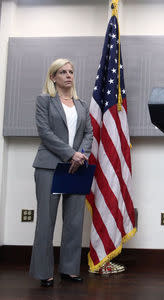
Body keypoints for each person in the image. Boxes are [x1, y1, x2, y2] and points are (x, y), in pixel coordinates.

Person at [29, 58, 93, 287]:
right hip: (49, 166)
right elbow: (45, 132)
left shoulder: (82, 104)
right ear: (53, 77)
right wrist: (70, 154)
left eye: (71, 72)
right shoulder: (44, 100)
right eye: (63, 72)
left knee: (75, 222)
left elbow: (89, 133)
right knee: (46, 221)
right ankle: (43, 272)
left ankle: (69, 269)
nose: (68, 75)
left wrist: (81, 154)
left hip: (78, 168)